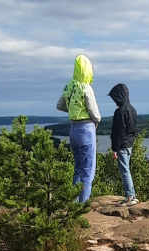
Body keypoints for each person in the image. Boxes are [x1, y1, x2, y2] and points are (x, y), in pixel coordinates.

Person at [56, 54, 101, 204]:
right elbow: (94, 112)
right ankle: (83, 205)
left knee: (77, 169)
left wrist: (72, 111)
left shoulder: (69, 86)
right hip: (86, 129)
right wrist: (96, 121)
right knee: (88, 170)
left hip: (73, 129)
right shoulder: (86, 88)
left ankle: (73, 203)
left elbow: (59, 105)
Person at [108, 83, 139, 203]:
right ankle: (132, 195)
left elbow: (118, 132)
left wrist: (115, 148)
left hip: (122, 145)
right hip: (129, 144)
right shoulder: (132, 109)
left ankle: (130, 196)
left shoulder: (120, 112)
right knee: (127, 169)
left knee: (124, 170)